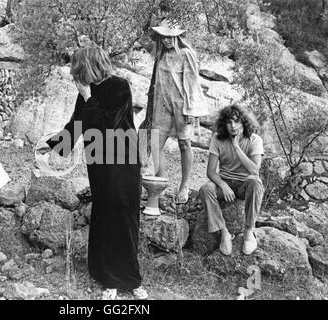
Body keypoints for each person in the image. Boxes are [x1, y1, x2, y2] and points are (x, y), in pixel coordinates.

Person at [36, 45, 147, 300]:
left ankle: (131, 278)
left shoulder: (120, 86)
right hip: (99, 162)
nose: (75, 77)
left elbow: (109, 124)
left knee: (126, 216)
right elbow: (76, 125)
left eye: (78, 70)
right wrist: (52, 144)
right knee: (106, 216)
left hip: (124, 159)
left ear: (88, 67)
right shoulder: (85, 95)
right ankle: (108, 278)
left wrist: (88, 97)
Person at [148, 19, 209, 204]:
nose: (166, 40)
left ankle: (184, 185)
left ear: (177, 36)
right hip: (162, 105)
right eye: (163, 36)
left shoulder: (186, 53)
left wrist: (191, 109)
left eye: (169, 36)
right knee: (156, 144)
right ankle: (160, 181)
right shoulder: (160, 54)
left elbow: (192, 82)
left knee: (184, 144)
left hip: (181, 106)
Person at [199, 104, 264, 256]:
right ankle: (224, 233)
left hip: (244, 185)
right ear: (224, 124)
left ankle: (248, 231)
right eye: (229, 122)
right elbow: (210, 171)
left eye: (236, 121)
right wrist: (222, 184)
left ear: (244, 122)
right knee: (206, 189)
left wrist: (236, 147)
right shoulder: (217, 139)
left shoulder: (255, 140)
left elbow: (254, 170)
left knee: (255, 182)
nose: (233, 126)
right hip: (225, 183)